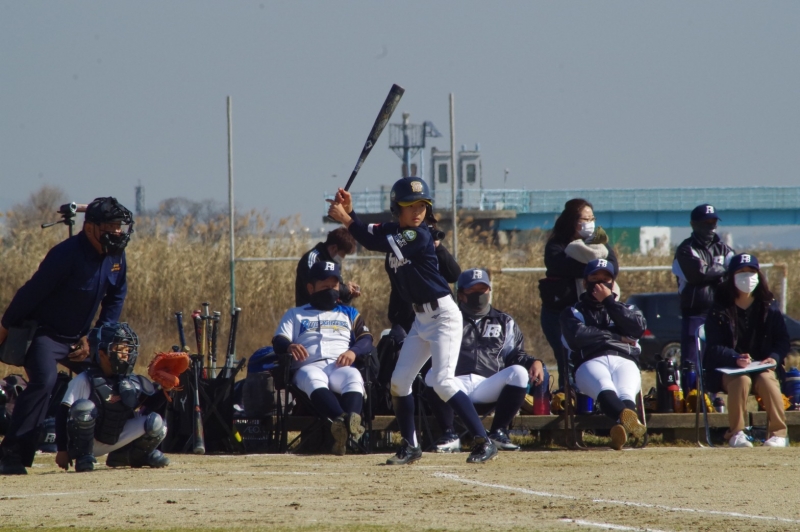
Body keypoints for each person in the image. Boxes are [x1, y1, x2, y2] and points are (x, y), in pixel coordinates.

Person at [328, 177, 498, 465]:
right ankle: (410, 445)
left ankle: (484, 440)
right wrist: (351, 212)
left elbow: (372, 242)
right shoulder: (394, 229)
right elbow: (369, 231)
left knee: (442, 382)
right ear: (397, 208)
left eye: (422, 205)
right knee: (399, 382)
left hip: (443, 317)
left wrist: (344, 219)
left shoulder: (418, 235)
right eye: (410, 206)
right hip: (421, 320)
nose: (418, 211)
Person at [0, 196, 133, 475]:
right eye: (110, 226)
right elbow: (31, 292)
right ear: (90, 228)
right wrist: (5, 326)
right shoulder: (66, 254)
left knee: (116, 376)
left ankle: (123, 446)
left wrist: (95, 338)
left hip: (82, 338)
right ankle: (12, 453)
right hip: (45, 335)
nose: (117, 231)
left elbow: (116, 298)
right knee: (44, 381)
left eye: (119, 225)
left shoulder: (116, 256)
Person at [426, 268, 544, 453]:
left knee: (519, 373)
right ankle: (449, 435)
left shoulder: (504, 321)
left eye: (483, 290)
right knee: (433, 373)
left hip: (488, 384)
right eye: (472, 290)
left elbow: (515, 355)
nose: (479, 294)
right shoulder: (447, 320)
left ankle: (498, 433)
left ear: (490, 291)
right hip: (454, 383)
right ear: (461, 294)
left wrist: (533, 362)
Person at [273, 260, 373, 456]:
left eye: (334, 286)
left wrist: (353, 352)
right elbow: (279, 340)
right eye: (325, 287)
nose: (330, 291)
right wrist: (289, 346)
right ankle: (347, 423)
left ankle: (344, 425)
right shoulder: (295, 314)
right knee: (313, 377)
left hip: (339, 365)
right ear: (311, 288)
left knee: (354, 376)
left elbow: (366, 338)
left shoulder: (349, 312)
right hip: (309, 366)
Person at [55, 323, 169, 472]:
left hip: (115, 438)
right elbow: (62, 413)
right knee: (84, 408)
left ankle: (129, 456)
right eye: (120, 349)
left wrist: (165, 389)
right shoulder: (84, 380)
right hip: (87, 443)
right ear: (102, 354)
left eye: (127, 350)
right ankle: (84, 457)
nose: (125, 354)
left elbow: (149, 405)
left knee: (157, 423)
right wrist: (62, 450)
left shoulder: (131, 381)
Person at [703, 253, 790, 448]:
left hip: (762, 366)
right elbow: (714, 347)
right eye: (741, 272)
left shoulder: (769, 306)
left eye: (751, 271)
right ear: (731, 277)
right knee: (741, 381)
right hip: (730, 369)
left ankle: (778, 433)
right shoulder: (720, 309)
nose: (747, 277)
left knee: (767, 381)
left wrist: (774, 357)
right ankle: (737, 432)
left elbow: (782, 340)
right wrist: (735, 358)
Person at [560, 258, 647, 450]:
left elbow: (637, 329)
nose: (600, 283)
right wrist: (616, 336)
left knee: (626, 390)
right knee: (604, 385)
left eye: (606, 279)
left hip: (625, 359)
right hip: (590, 361)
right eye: (594, 278)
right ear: (585, 283)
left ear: (613, 283)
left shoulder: (628, 309)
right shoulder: (573, 311)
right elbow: (577, 336)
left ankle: (622, 426)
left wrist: (609, 302)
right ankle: (630, 424)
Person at [540, 199, 618, 391]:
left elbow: (612, 268)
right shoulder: (556, 245)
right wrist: (594, 267)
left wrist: (593, 266)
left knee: (594, 357)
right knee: (566, 358)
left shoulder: (599, 243)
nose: (589, 223)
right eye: (584, 219)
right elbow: (566, 267)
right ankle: (568, 396)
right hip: (558, 314)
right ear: (572, 221)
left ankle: (593, 395)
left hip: (591, 313)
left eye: (592, 218)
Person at [672, 203, 734, 383]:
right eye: (706, 222)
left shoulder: (724, 249)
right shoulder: (685, 249)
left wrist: (715, 270)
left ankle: (713, 396)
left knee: (717, 359)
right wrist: (722, 270)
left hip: (721, 312)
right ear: (694, 224)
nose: (711, 226)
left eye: (713, 222)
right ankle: (691, 395)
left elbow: (736, 272)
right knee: (692, 362)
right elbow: (697, 273)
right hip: (695, 313)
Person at [387, 217, 460, 334]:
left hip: (436, 315)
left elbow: (454, 275)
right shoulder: (395, 250)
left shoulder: (431, 248)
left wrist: (438, 247)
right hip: (407, 319)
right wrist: (396, 317)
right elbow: (397, 285)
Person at [295, 227, 360, 307]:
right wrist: (345, 289)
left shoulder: (335, 261)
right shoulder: (312, 258)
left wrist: (349, 293)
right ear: (334, 248)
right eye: (344, 254)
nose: (344, 257)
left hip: (332, 311)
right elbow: (316, 286)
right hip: (309, 310)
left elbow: (338, 289)